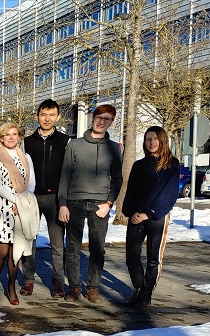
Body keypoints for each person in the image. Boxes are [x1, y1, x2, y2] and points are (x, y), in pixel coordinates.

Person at [58, 105, 123, 303]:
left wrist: (109, 203)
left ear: (111, 122)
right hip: (75, 202)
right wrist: (62, 204)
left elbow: (118, 179)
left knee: (97, 248)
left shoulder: (113, 148)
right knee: (72, 248)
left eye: (106, 119)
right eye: (98, 117)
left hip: (100, 205)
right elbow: (65, 175)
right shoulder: (74, 144)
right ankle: (75, 288)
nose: (101, 121)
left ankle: (93, 288)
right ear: (92, 118)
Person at [122, 126, 179, 309]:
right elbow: (130, 190)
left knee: (154, 258)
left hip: (156, 217)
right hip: (136, 217)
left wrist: (150, 213)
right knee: (131, 256)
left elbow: (170, 193)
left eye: (155, 139)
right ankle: (139, 289)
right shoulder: (139, 165)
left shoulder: (172, 164)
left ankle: (146, 295)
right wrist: (131, 212)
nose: (152, 142)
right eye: (148, 139)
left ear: (162, 141)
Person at [20, 99, 70, 298]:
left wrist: (64, 202)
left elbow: (68, 174)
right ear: (37, 116)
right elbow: (20, 172)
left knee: (57, 245)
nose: (47, 118)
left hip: (56, 200)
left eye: (51, 115)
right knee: (28, 242)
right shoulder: (26, 142)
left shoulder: (65, 142)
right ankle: (28, 280)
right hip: (31, 199)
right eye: (43, 114)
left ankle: (58, 284)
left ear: (58, 117)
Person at [0, 122, 36, 305]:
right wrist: (17, 201)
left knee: (17, 251)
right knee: (3, 250)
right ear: (1, 138)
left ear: (19, 136)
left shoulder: (26, 157)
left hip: (22, 206)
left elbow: (32, 183)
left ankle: (11, 287)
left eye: (14, 134)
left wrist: (23, 203)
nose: (11, 137)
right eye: (7, 134)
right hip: (3, 207)